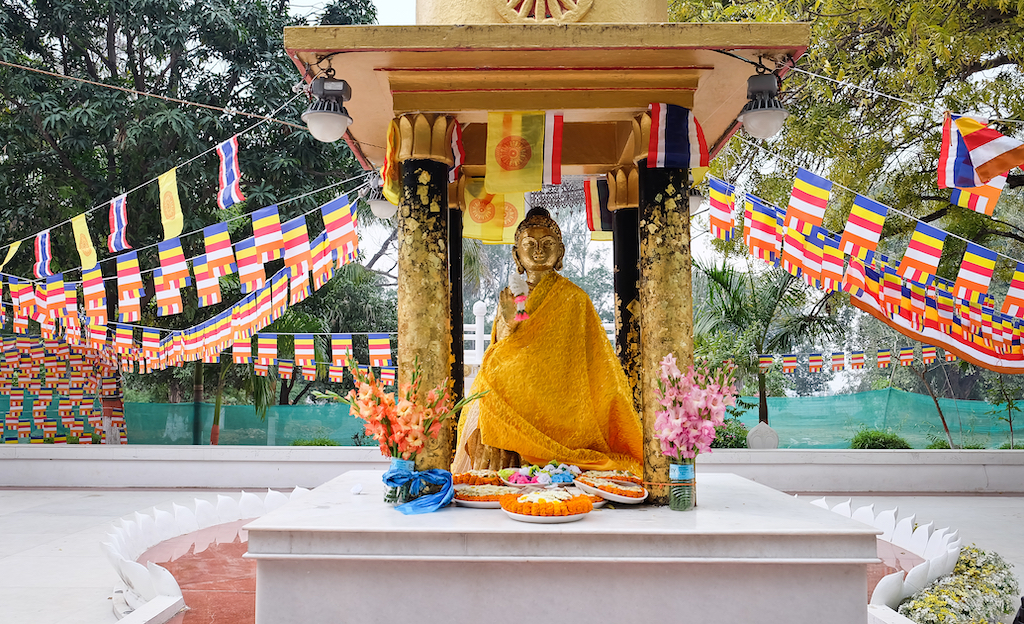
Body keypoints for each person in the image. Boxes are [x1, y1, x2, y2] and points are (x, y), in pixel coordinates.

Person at [453, 207, 643, 474]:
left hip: (561, 394)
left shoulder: (575, 299)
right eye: (529, 244)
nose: (538, 251)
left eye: (547, 244)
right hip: (516, 388)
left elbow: (591, 359)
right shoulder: (512, 295)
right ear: (516, 253)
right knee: (488, 398)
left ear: (561, 252)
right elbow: (501, 352)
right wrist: (509, 323)